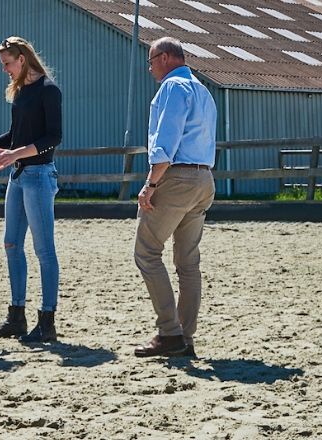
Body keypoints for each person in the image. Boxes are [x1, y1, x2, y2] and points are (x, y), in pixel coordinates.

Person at [131, 37, 217, 358]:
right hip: (204, 178)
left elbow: (166, 143)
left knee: (147, 252)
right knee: (188, 262)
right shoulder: (203, 91)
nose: (150, 67)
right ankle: (185, 336)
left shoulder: (171, 88)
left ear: (165, 58)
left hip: (177, 178)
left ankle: (169, 333)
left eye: (151, 60)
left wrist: (151, 184)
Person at [0, 36, 65, 344]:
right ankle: (16, 317)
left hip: (40, 176)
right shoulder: (21, 93)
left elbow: (54, 137)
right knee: (12, 245)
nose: (5, 69)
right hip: (19, 177)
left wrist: (14, 154)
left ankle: (47, 322)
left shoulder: (48, 90)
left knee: (44, 250)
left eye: (7, 63)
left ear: (22, 59)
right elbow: (15, 135)